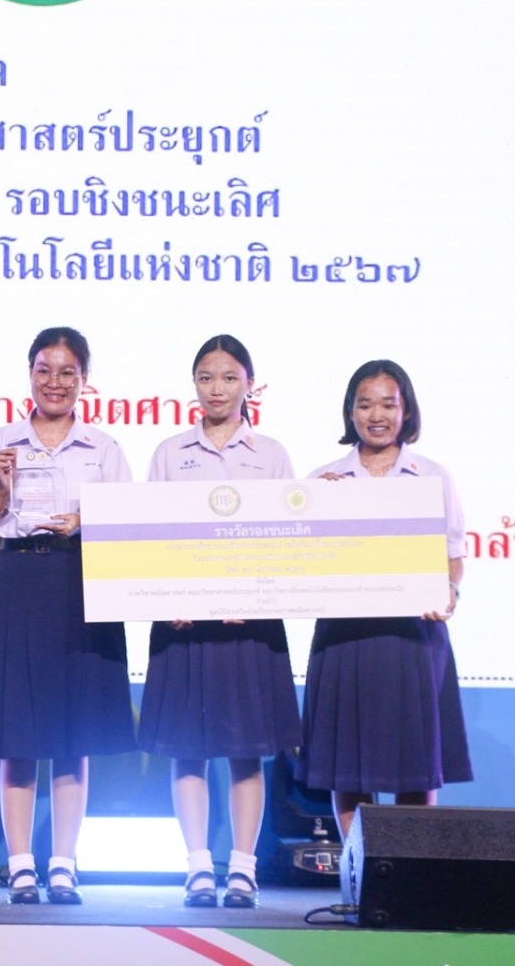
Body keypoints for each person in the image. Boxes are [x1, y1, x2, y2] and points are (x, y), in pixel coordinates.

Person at [0, 327, 136, 906]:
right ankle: (19, 866)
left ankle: (63, 864)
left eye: (67, 372)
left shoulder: (104, 449)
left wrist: (85, 521)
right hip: (16, 579)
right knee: (16, 733)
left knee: (73, 730)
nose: (54, 382)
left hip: (81, 582)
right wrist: (3, 489)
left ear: (84, 380)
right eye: (44, 370)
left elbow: (127, 525)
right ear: (29, 374)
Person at [137, 335, 301, 910]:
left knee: (245, 751)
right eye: (206, 377)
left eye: (229, 377)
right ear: (194, 385)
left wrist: (256, 595)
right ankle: (198, 867)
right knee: (187, 749)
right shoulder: (169, 452)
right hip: (184, 625)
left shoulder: (271, 454)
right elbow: (149, 535)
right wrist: (166, 596)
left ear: (249, 385)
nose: (217, 388)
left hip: (247, 625)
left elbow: (287, 540)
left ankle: (243, 870)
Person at [302, 359, 471, 839]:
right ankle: (358, 868)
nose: (376, 415)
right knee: (346, 764)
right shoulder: (322, 479)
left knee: (414, 763)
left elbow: (453, 554)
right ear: (350, 412)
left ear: (406, 410)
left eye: (388, 404)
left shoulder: (431, 475)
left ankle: (409, 866)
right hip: (344, 637)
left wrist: (449, 591)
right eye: (365, 404)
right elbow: (302, 560)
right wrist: (311, 505)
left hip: (413, 635)